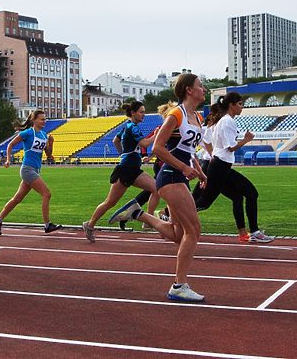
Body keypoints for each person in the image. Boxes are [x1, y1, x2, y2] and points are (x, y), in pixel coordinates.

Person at [108, 73, 208, 302]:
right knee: (194, 230)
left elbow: (189, 151)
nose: (204, 89)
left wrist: (200, 171)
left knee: (179, 234)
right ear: (189, 90)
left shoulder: (198, 117)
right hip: (171, 176)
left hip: (179, 175)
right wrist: (184, 168)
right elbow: (158, 149)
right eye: (200, 86)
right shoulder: (176, 115)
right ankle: (179, 285)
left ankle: (138, 213)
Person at [195, 92, 274, 243]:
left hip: (220, 166)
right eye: (239, 104)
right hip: (219, 166)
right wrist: (246, 139)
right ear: (231, 105)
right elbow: (230, 148)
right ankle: (255, 232)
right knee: (206, 202)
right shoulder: (227, 122)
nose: (242, 107)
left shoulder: (225, 121)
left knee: (238, 196)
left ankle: (246, 232)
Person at [82, 101, 158, 242]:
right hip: (125, 170)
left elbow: (115, 141)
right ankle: (89, 224)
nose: (144, 115)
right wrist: (157, 134)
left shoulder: (126, 127)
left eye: (144, 112)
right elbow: (144, 144)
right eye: (141, 112)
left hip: (134, 170)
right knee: (110, 202)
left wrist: (123, 154)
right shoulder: (133, 127)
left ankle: (148, 220)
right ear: (133, 113)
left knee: (156, 188)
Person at [0, 110, 61, 235]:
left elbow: (49, 155)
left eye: (45, 119)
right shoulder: (28, 133)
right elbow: (10, 145)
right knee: (47, 194)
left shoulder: (44, 135)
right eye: (42, 119)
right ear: (34, 120)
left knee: (17, 198)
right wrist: (8, 160)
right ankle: (47, 225)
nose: (44, 121)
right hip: (27, 169)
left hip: (35, 170)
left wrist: (51, 143)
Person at [111, 101, 178, 229]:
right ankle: (154, 217)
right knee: (162, 191)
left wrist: (149, 157)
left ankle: (142, 216)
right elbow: (154, 145)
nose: (144, 115)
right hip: (163, 165)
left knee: (153, 191)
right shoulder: (167, 126)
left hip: (161, 164)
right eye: (141, 112)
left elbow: (160, 147)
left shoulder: (173, 126)